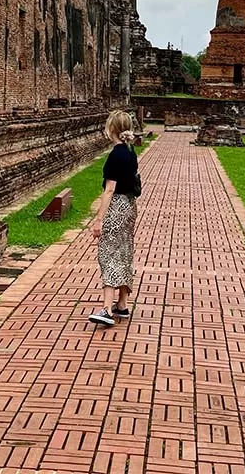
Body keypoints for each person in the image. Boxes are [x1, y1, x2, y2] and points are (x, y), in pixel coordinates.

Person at [88, 109, 139, 327]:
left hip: (117, 205)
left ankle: (107, 310)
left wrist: (99, 219)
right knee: (125, 250)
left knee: (108, 253)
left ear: (113, 129)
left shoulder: (116, 154)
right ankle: (122, 304)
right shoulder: (130, 151)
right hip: (129, 205)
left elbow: (109, 190)